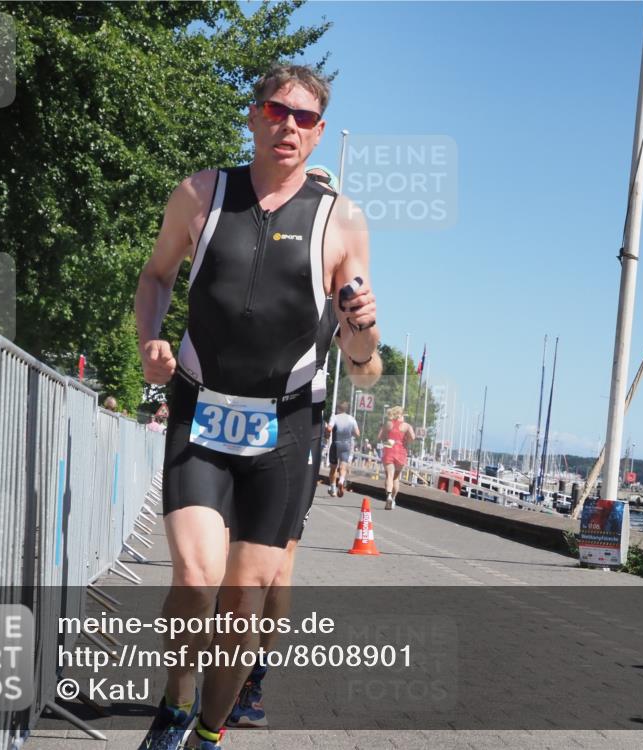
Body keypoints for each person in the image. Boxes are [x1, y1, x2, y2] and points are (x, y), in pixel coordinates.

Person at [134, 65, 381, 750]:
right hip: (201, 412)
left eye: (305, 119)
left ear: (319, 132)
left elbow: (365, 367)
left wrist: (364, 332)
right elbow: (157, 275)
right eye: (278, 111)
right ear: (254, 115)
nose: (289, 127)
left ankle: (211, 730)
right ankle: (177, 700)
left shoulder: (342, 220)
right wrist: (150, 341)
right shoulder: (200, 194)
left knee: (244, 600)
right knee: (194, 576)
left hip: (284, 428)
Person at [226, 163, 377, 730]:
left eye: (321, 191)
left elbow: (364, 368)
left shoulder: (338, 264)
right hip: (224, 410)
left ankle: (252, 682)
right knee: (222, 561)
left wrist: (362, 343)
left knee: (275, 565)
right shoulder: (253, 240)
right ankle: (210, 677)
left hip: (296, 420)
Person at [377, 406, 415, 510]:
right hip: (401, 451)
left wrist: (387, 441)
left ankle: (388, 496)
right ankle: (393, 499)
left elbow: (380, 437)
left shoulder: (388, 424)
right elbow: (413, 437)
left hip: (389, 449)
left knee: (389, 476)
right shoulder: (406, 426)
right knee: (396, 478)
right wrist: (406, 440)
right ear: (401, 415)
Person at [326, 401, 359, 497]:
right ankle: (341, 481)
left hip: (336, 444)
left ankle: (333, 489)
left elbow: (329, 428)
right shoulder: (351, 419)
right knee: (343, 467)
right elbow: (357, 433)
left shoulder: (335, 417)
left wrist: (327, 434)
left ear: (338, 409)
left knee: (333, 468)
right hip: (346, 445)